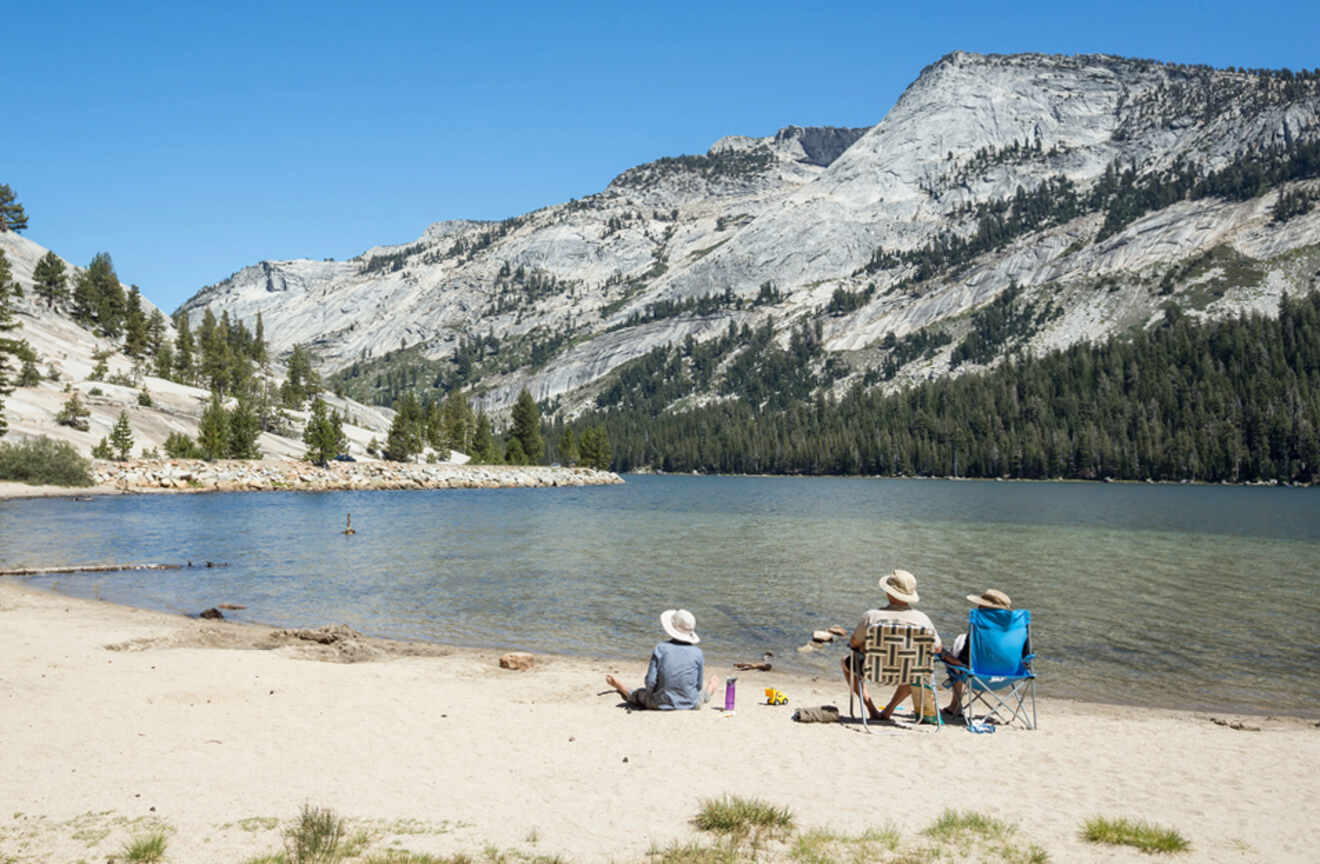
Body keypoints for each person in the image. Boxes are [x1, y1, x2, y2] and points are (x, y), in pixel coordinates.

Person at [841, 569, 942, 721]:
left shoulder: (872, 616)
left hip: (874, 670)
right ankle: (889, 710)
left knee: (845, 661)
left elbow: (853, 642)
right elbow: (937, 648)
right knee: (917, 667)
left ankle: (871, 708)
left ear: (888, 593)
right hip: (909, 673)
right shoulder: (922, 619)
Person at [605, 608, 716, 710]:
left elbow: (650, 682)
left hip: (660, 702)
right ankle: (710, 689)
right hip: (690, 703)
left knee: (638, 695)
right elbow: (698, 685)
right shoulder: (698, 653)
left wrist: (651, 693)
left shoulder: (661, 648)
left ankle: (621, 687)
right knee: (701, 696)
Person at [940, 588, 1021, 718]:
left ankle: (955, 706)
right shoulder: (1018, 628)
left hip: (978, 677)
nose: (978, 607)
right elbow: (1027, 657)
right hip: (1008, 677)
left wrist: (945, 656)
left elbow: (963, 660)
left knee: (954, 653)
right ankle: (955, 706)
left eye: (981, 605)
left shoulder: (979, 628)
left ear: (985, 608)